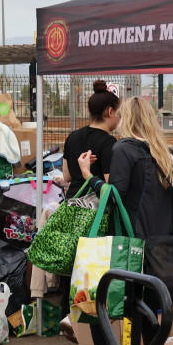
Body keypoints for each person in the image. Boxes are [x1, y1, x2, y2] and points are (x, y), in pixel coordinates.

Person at [75, 96, 173, 345]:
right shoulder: (163, 154)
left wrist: (87, 175)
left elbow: (112, 195)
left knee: (97, 308)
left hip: (128, 248)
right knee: (146, 312)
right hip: (159, 246)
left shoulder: (124, 150)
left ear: (128, 119)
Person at [59, 80, 120, 324]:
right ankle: (88, 316)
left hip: (71, 203)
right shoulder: (109, 144)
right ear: (110, 112)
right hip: (94, 210)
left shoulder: (73, 137)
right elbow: (106, 186)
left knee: (72, 260)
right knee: (92, 262)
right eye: (119, 113)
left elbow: (65, 176)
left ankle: (67, 312)